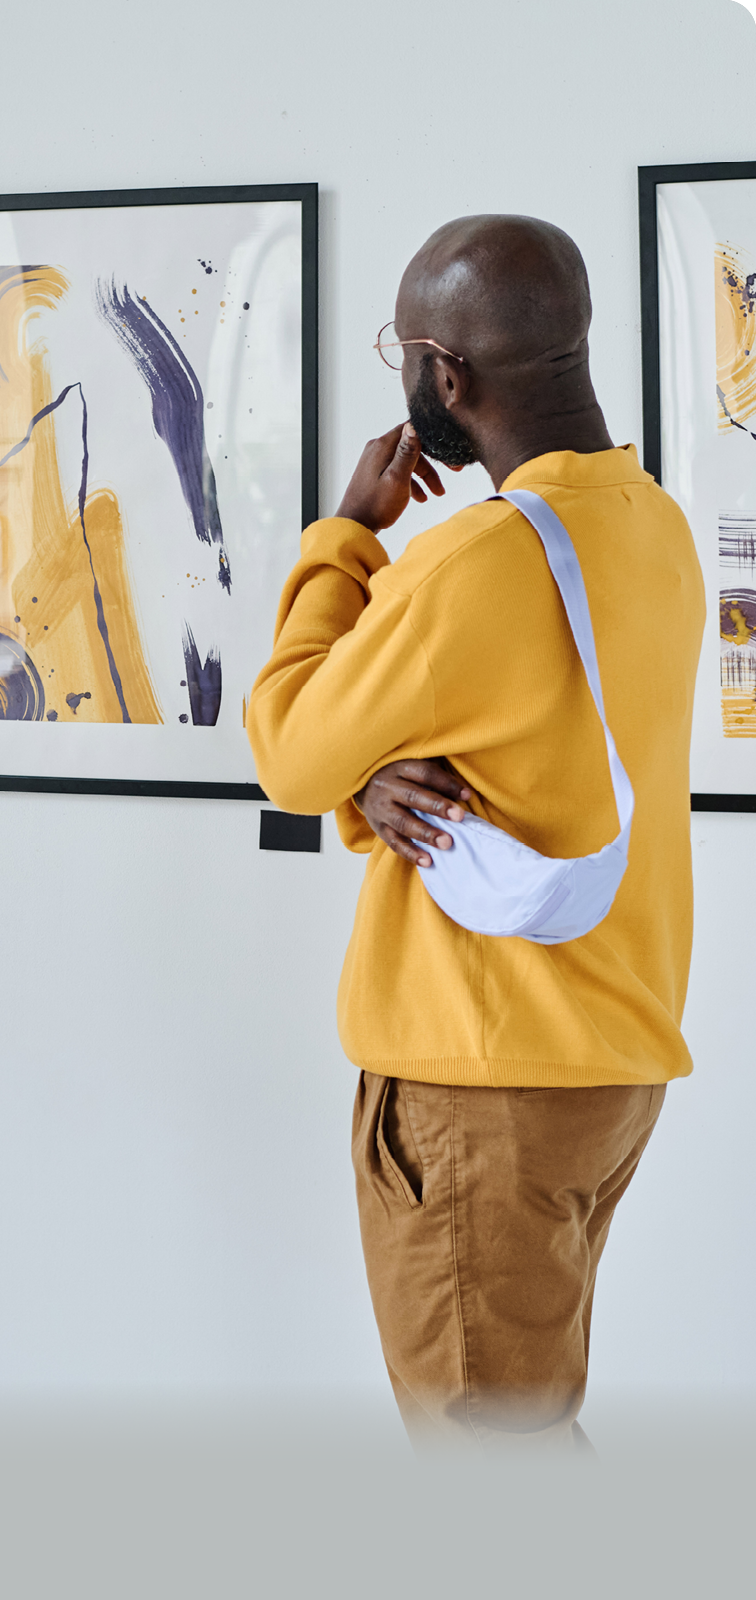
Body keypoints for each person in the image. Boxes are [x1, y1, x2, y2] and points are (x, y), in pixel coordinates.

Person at [247, 216, 705, 1453]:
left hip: (480, 1078)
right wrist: (373, 786)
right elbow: (514, 742)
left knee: (486, 1461)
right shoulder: (654, 526)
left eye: (403, 350)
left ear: (446, 374)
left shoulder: (472, 567)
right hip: (605, 1058)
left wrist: (344, 531)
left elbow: (291, 751)